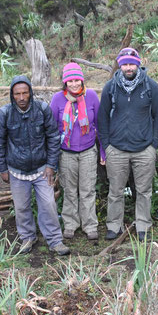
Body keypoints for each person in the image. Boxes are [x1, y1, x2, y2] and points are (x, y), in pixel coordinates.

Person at [0, 75, 70, 256]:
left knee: (49, 204)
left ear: (30, 93)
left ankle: (54, 240)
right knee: (21, 207)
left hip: (42, 169)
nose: (21, 98)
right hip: (17, 170)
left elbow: (52, 137)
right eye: (17, 94)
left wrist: (51, 165)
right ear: (12, 95)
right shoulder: (5, 113)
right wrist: (2, 168)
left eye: (25, 93)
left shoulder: (42, 110)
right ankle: (27, 237)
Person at [97, 48, 158, 242]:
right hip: (117, 149)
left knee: (144, 190)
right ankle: (113, 225)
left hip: (144, 149)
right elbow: (102, 118)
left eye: (131, 63)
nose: (128, 67)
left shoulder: (150, 87)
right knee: (115, 191)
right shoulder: (111, 87)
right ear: (119, 64)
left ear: (138, 64)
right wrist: (107, 145)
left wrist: (154, 145)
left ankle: (143, 225)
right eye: (124, 64)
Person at [50, 62, 105, 241]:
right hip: (66, 153)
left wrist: (102, 152)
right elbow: (51, 129)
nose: (74, 84)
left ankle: (90, 225)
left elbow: (100, 124)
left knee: (88, 190)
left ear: (82, 80)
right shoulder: (57, 99)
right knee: (69, 190)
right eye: (70, 81)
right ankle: (71, 224)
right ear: (65, 83)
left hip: (88, 150)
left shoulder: (91, 97)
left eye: (77, 80)